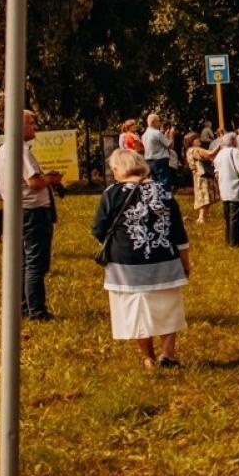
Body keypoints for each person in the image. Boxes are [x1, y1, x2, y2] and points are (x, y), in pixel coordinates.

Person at [92, 149, 191, 370]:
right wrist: (185, 261)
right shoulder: (163, 191)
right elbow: (178, 231)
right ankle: (168, 354)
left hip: (126, 265)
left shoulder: (112, 193)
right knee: (168, 307)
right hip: (164, 259)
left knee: (134, 311)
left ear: (119, 168)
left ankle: (148, 358)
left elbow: (98, 229)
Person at [0, 109, 63, 319]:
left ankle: (23, 306)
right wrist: (51, 179)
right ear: (19, 126)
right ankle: (37, 311)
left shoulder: (3, 149)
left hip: (16, 210)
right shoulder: (20, 150)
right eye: (31, 123)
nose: (36, 127)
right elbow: (33, 182)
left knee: (23, 261)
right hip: (32, 211)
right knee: (36, 262)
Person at [214, 133, 239, 248]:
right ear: (233, 141)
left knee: (228, 218)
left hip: (224, 189)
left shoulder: (219, 154)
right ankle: (234, 243)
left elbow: (216, 172)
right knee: (236, 218)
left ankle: (228, 240)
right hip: (236, 188)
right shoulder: (235, 152)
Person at [184, 132, 219, 224]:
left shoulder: (189, 151)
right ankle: (202, 218)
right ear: (191, 141)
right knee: (205, 196)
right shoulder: (195, 149)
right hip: (203, 176)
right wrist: (220, 144)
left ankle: (202, 218)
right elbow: (210, 154)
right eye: (196, 139)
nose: (199, 140)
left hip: (198, 176)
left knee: (203, 196)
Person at [142, 114, 175, 192]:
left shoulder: (144, 134)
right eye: (159, 121)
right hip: (160, 160)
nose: (160, 123)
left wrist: (164, 135)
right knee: (164, 182)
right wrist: (171, 135)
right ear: (153, 122)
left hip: (149, 160)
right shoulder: (157, 133)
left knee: (155, 182)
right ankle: (166, 199)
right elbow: (170, 145)